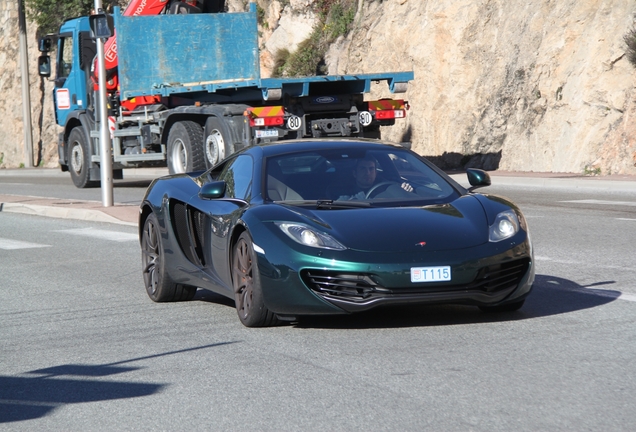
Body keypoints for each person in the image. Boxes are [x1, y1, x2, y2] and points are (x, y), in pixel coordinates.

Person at [335, 155, 413, 200]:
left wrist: (404, 191)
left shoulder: (387, 187)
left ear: (376, 172)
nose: (368, 173)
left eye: (371, 169)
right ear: (355, 173)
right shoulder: (344, 192)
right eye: (363, 168)